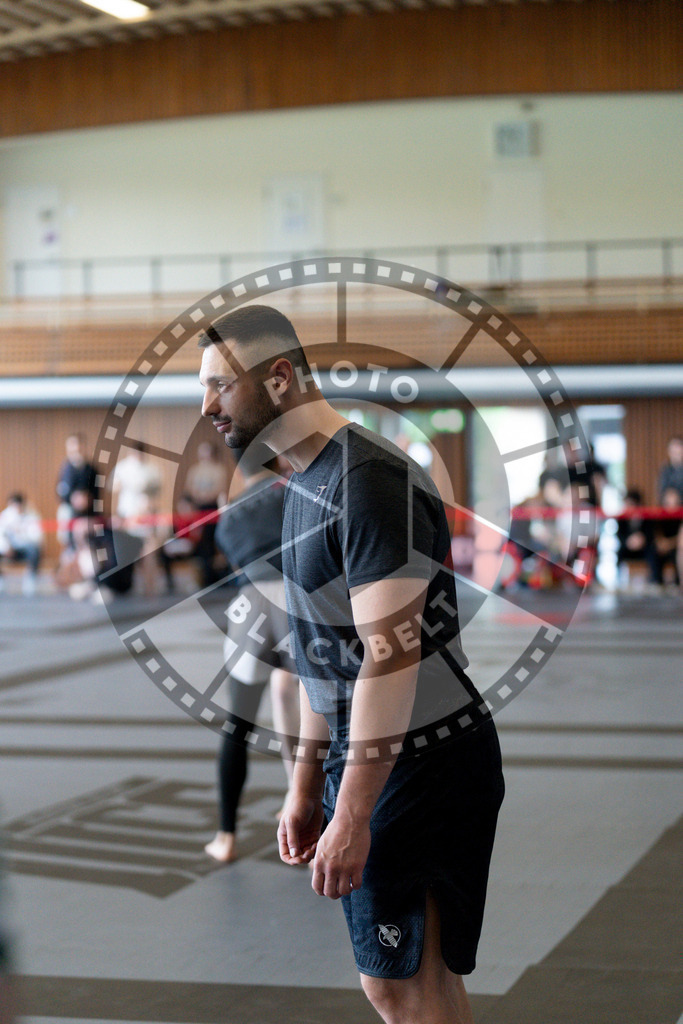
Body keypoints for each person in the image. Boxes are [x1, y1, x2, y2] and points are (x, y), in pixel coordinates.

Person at [199, 305, 504, 1024]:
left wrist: (353, 813)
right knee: (410, 983)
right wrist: (306, 785)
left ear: (279, 380)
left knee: (401, 986)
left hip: (421, 764)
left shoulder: (366, 482)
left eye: (220, 385)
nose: (207, 407)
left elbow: (388, 663)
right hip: (378, 760)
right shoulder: (304, 483)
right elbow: (320, 657)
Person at [204, 445, 299, 864]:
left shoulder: (230, 515)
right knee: (319, 718)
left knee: (237, 725)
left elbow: (234, 557)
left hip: (250, 609)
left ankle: (225, 836)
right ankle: (308, 811)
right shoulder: (291, 493)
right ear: (278, 462)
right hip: (298, 604)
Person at [111, 441, 163, 595]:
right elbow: (114, 488)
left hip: (146, 518)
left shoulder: (153, 469)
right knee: (125, 554)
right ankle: (126, 584)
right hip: (126, 518)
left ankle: (150, 588)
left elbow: (157, 493)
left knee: (149, 551)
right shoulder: (122, 467)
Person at [183, 442, 227, 588]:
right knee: (201, 544)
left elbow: (219, 489)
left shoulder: (219, 469)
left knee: (214, 543)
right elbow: (189, 488)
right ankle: (204, 577)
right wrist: (198, 497)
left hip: (212, 510)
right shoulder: (194, 470)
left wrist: (206, 496)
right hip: (198, 510)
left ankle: (216, 577)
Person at [55, 433, 97, 549]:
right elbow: (60, 492)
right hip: (69, 509)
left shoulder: (91, 469)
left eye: (78, 445)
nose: (76, 448)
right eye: (72, 445)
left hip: (88, 512)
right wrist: (73, 499)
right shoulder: (65, 469)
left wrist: (87, 499)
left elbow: (97, 492)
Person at [0, 493, 44, 596]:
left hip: (25, 549)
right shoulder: (5, 516)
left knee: (34, 550)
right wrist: (6, 547)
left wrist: (22, 532)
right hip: (9, 550)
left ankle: (31, 578)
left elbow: (37, 538)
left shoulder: (33, 515)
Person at [657, 435, 683, 503]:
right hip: (668, 509)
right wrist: (668, 496)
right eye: (673, 449)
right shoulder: (665, 471)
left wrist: (677, 497)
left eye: (678, 447)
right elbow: (660, 491)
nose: (676, 451)